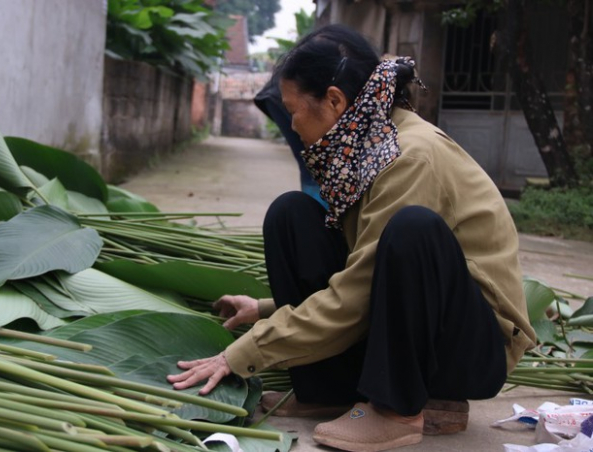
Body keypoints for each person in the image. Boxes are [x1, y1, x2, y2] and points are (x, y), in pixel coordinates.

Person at [168, 24, 536, 452]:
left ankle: (398, 409)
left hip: (467, 352)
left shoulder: (408, 156)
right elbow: (365, 266)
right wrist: (264, 309)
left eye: (293, 109)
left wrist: (242, 354)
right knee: (292, 215)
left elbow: (361, 291)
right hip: (414, 323)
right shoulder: (365, 146)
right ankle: (327, 390)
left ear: (335, 100)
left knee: (412, 228)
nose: (291, 123)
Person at [254, 76, 327, 209]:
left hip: (281, 96)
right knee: (312, 164)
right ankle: (316, 215)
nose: (293, 127)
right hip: (279, 97)